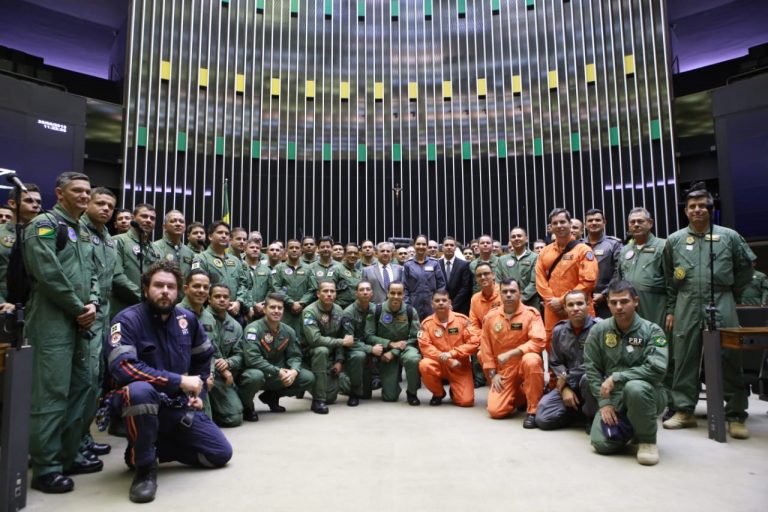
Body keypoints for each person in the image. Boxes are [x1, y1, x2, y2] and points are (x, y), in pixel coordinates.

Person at [107, 261, 232, 503]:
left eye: (170, 286)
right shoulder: (126, 320)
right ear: (145, 289)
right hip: (139, 405)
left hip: (176, 405)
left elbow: (203, 359)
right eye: (158, 285)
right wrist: (179, 381)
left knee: (220, 453)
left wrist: (198, 394)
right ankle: (143, 468)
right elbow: (123, 367)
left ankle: (151, 447)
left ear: (179, 291)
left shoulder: (187, 320)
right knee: (140, 391)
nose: (165, 291)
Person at [24, 172, 100, 493]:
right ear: (60, 193)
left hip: (82, 320)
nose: (84, 196)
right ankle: (46, 468)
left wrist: (93, 301)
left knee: (81, 389)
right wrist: (78, 307)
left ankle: (69, 455)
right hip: (53, 321)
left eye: (87, 191)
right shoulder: (43, 226)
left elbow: (95, 272)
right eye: (77, 191)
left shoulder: (83, 229)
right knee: (52, 395)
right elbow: (48, 274)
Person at [662, 183, 755, 439]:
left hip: (722, 298)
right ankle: (684, 410)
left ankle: (735, 414)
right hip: (686, 301)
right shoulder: (675, 240)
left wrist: (731, 293)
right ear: (686, 211)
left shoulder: (729, 236)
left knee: (728, 356)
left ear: (710, 208)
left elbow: (746, 268)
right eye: (692, 206)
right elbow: (669, 278)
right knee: (684, 356)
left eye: (702, 205)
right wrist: (671, 308)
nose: (697, 210)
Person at [584, 280, 668, 466]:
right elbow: (591, 367)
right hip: (613, 396)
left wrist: (618, 377)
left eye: (624, 301)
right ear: (608, 303)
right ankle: (635, 426)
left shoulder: (652, 331)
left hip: (649, 393)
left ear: (636, 301)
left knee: (635, 388)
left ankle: (647, 439)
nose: (619, 307)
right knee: (601, 444)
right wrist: (604, 402)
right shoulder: (600, 330)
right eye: (613, 302)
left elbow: (657, 369)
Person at [77, 188, 120, 458]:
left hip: (103, 315)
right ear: (87, 204)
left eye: (110, 206)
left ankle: (83, 438)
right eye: (100, 203)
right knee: (83, 381)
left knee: (96, 378)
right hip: (84, 313)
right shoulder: (78, 233)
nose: (105, 209)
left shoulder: (106, 237)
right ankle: (72, 445)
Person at [480, 279, 546, 427]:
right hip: (504, 370)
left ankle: (533, 411)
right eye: (505, 292)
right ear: (500, 295)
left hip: (524, 365)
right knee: (495, 411)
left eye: (513, 291)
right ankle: (521, 397)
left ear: (520, 293)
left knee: (532, 359)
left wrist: (512, 353)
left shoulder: (531, 314)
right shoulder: (491, 317)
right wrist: (493, 374)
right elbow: (486, 348)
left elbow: (538, 341)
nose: (509, 295)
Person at [237, 293, 316, 414]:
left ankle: (271, 397)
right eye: (272, 307)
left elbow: (295, 356)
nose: (276, 311)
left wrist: (293, 371)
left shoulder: (288, 331)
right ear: (264, 309)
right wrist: (278, 371)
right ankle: (247, 405)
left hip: (277, 375)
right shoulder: (253, 329)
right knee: (254, 377)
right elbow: (252, 359)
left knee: (307, 378)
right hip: (259, 373)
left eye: (280, 308)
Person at [535, 290, 599, 430]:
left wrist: (567, 377)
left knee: (587, 379)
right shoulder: (559, 330)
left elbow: (597, 364)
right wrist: (564, 388)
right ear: (565, 308)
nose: (575, 308)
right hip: (568, 384)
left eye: (580, 304)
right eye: (571, 305)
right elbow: (555, 362)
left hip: (592, 384)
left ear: (588, 304)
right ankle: (576, 413)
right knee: (542, 419)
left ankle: (591, 416)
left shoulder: (600, 328)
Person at [535, 208, 598, 344]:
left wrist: (562, 301)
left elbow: (588, 282)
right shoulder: (545, 252)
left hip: (578, 307)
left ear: (570, 224)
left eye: (562, 222)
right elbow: (540, 280)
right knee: (553, 346)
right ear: (550, 227)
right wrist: (552, 301)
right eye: (555, 223)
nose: (559, 226)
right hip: (552, 309)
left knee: (586, 346)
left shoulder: (584, 250)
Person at [302, 281, 356, 413]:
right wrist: (341, 342)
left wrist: (339, 361)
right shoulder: (309, 312)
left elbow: (340, 335)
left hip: (331, 356)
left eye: (332, 291)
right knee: (321, 350)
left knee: (331, 397)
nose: (329, 294)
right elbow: (315, 340)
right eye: (325, 291)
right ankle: (318, 400)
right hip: (310, 355)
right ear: (318, 294)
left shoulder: (338, 310)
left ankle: (326, 382)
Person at [418, 290, 479, 406]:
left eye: (444, 300)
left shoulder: (462, 320)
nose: (441, 303)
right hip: (439, 363)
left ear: (449, 302)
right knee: (424, 365)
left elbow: (474, 343)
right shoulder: (426, 324)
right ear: (432, 304)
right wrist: (448, 360)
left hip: (459, 365)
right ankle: (438, 393)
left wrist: (453, 354)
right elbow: (425, 348)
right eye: (437, 301)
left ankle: (455, 390)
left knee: (466, 402)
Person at [365, 282, 422, 404]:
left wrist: (394, 351)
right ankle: (391, 384)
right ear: (387, 293)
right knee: (390, 397)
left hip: (406, 347)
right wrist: (390, 344)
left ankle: (412, 393)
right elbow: (368, 336)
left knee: (413, 358)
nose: (396, 296)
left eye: (399, 293)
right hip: (385, 352)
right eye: (393, 293)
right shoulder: (377, 310)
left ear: (403, 295)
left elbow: (415, 337)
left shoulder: (410, 311)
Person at [206, 283, 250, 425]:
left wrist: (229, 362)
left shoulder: (235, 325)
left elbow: (240, 353)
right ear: (209, 299)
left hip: (226, 377)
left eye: (225, 297)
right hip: (207, 373)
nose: (222, 300)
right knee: (232, 418)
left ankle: (222, 406)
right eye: (217, 296)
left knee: (235, 418)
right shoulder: (201, 318)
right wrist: (221, 367)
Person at [191, 221, 252, 321]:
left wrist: (238, 302)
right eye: (220, 233)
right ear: (210, 236)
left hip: (235, 313)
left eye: (226, 234)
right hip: (210, 314)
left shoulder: (235, 260)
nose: (224, 236)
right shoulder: (201, 258)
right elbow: (200, 285)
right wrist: (221, 302)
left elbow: (243, 284)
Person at [617, 207, 667, 328]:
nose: (636, 225)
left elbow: (672, 282)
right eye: (632, 222)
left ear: (650, 223)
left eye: (640, 221)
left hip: (655, 306)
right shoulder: (625, 250)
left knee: (655, 340)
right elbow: (620, 280)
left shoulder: (663, 246)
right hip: (629, 307)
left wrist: (671, 311)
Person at [111, 203, 161, 316]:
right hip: (123, 309)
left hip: (150, 311)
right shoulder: (118, 241)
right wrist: (143, 296)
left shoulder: (156, 249)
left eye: (152, 218)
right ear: (133, 218)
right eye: (144, 216)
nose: (149, 220)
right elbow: (116, 276)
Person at [0, 182, 41, 309]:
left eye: (39, 202)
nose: (36, 205)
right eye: (29, 201)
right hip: (4, 303)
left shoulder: (43, 235)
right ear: (12, 204)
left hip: (35, 306)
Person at [271, 239, 315, 343]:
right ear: (286, 251)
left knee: (302, 339)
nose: (294, 250)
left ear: (301, 251)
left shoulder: (308, 269)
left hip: (303, 310)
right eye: (291, 248)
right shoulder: (279, 268)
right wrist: (291, 303)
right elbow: (275, 288)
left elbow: (313, 288)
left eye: (297, 248)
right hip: (285, 311)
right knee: (283, 338)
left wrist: (301, 303)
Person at [340, 280, 378, 402]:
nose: (365, 292)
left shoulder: (377, 309)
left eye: (368, 289)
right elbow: (350, 341)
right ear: (356, 294)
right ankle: (354, 391)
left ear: (372, 293)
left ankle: (379, 380)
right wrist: (370, 349)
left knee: (366, 395)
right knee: (359, 356)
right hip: (353, 350)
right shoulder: (348, 312)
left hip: (372, 346)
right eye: (361, 290)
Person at [583, 208, 622, 319]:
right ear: (585, 224)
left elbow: (618, 271)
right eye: (590, 221)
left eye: (597, 220)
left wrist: (605, 294)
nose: (594, 223)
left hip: (607, 300)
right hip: (583, 301)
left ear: (604, 222)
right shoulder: (579, 246)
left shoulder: (614, 244)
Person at [403, 234, 446, 321]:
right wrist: (407, 305)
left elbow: (441, 285)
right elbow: (404, 287)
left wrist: (438, 301)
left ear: (427, 246)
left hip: (431, 305)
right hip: (414, 304)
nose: (421, 246)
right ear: (414, 245)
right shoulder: (408, 264)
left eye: (423, 244)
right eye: (418, 244)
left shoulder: (434, 263)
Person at [497, 227, 540, 310]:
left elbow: (534, 283)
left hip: (530, 304)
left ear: (526, 239)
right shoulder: (502, 260)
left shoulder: (536, 258)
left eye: (519, 236)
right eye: (513, 237)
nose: (516, 238)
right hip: (507, 303)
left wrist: (519, 299)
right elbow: (498, 282)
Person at [152, 210, 195, 287]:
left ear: (184, 227)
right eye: (173, 221)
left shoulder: (190, 253)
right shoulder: (154, 247)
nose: (178, 224)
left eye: (181, 221)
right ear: (164, 227)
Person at [439, 236, 472, 315]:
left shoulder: (464, 265)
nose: (449, 247)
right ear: (442, 248)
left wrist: (452, 305)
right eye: (446, 245)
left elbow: (465, 288)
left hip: (459, 307)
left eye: (451, 245)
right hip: (440, 306)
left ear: (455, 248)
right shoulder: (437, 264)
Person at [244, 237, 273, 319]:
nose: (255, 250)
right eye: (252, 247)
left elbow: (271, 289)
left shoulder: (267, 270)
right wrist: (252, 305)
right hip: (245, 311)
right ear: (245, 250)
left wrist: (264, 303)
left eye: (257, 248)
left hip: (263, 311)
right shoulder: (240, 268)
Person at [335, 242, 363, 308]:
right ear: (344, 254)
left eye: (355, 253)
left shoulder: (358, 273)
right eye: (350, 253)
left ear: (358, 256)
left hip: (355, 308)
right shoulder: (336, 269)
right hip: (340, 307)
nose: (353, 255)